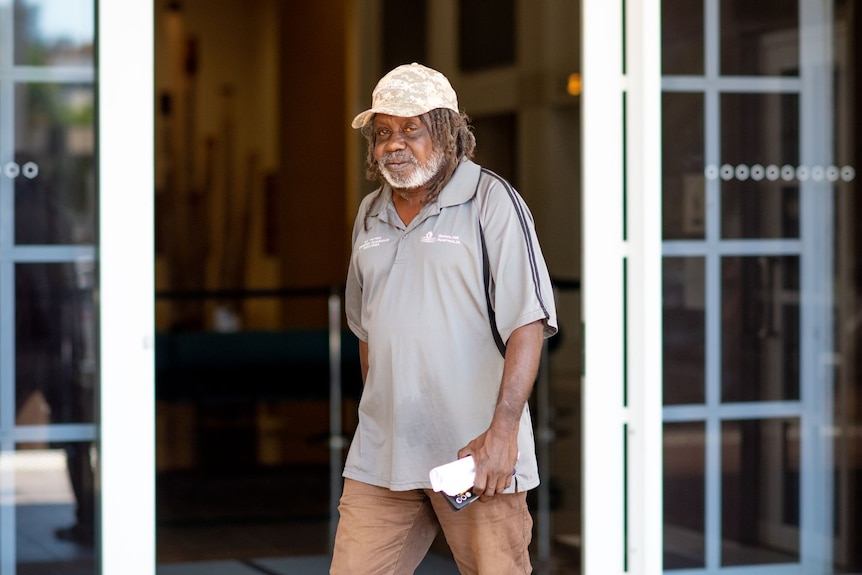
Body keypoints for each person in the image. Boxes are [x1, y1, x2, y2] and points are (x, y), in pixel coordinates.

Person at [331, 62, 558, 575]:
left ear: (448, 131)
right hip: (384, 457)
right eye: (383, 131)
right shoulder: (369, 214)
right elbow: (367, 330)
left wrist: (503, 434)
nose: (394, 143)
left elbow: (528, 322)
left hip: (476, 456)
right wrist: (380, 416)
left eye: (411, 128)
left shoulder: (491, 202)